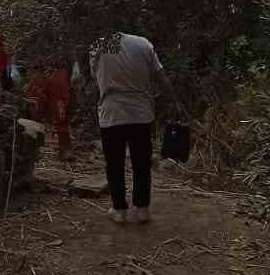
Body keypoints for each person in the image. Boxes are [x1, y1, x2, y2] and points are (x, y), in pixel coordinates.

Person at [91, 32, 179, 225]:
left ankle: (119, 210)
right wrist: (175, 102)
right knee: (141, 162)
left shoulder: (98, 45)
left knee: (114, 163)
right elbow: (161, 77)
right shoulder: (143, 44)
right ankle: (142, 209)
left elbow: (93, 77)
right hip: (140, 114)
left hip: (112, 113)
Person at [26, 62, 72, 161]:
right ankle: (65, 150)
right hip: (57, 73)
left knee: (36, 115)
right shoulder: (60, 73)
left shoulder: (39, 76)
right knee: (60, 114)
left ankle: (35, 152)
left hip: (48, 73)